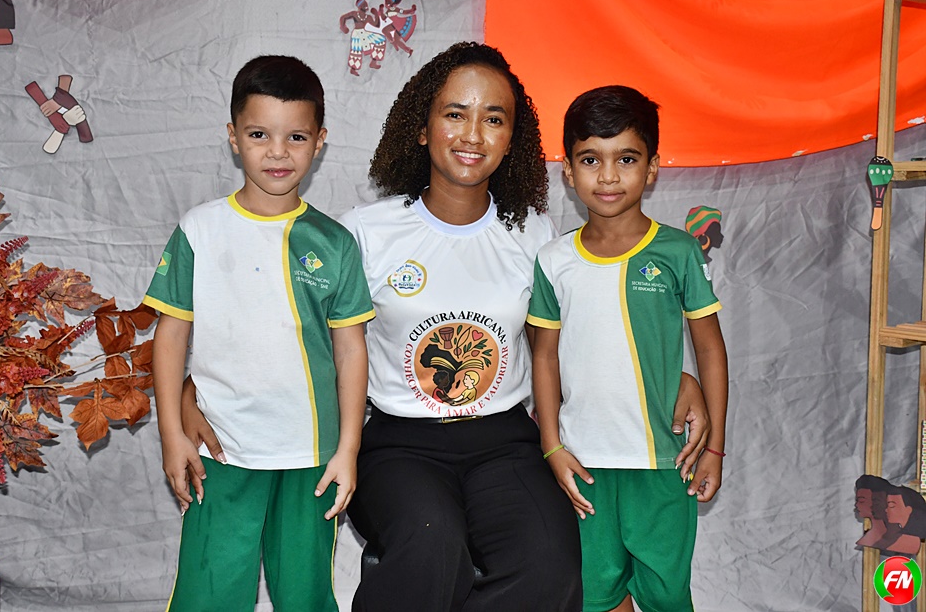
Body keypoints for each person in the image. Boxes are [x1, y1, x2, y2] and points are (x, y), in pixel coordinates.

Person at [182, 43, 712, 610]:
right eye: (455, 113)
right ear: (421, 126)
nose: (473, 134)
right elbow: (293, 329)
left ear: (512, 139)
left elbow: (571, 342)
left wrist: (677, 380)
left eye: (494, 119)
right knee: (431, 545)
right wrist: (197, 390)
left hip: (505, 441)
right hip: (396, 443)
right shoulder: (364, 233)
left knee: (551, 559)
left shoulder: (534, 234)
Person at [145, 55, 375, 612]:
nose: (278, 152)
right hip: (220, 448)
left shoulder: (334, 243)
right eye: (259, 134)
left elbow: (351, 350)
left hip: (312, 455)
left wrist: (348, 448)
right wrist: (172, 433)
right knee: (209, 592)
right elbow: (170, 337)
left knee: (304, 594)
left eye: (296, 136)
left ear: (319, 142)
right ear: (233, 137)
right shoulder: (199, 230)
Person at [529, 85, 729, 612]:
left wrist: (714, 448)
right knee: (595, 596)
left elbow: (710, 350)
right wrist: (551, 445)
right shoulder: (553, 260)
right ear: (568, 171)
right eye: (590, 159)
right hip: (583, 466)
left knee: (667, 595)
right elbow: (543, 357)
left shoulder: (678, 251)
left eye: (626, 159)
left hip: (664, 463)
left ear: (653, 167)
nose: (608, 176)